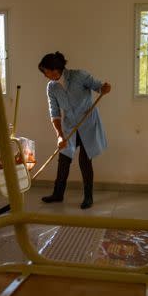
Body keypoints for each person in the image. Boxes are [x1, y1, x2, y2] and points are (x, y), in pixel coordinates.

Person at [38, 51, 111, 209]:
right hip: (70, 126)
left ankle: (88, 196)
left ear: (55, 69)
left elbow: (98, 86)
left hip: (88, 124)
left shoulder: (79, 76)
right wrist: (59, 135)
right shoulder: (51, 87)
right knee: (64, 160)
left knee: (84, 161)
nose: (45, 75)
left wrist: (104, 88)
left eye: (46, 71)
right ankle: (58, 194)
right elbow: (54, 112)